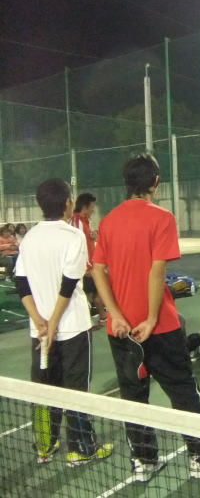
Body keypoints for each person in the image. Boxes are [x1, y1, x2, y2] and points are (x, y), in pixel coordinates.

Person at [92, 154, 200, 481]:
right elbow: (156, 272)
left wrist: (114, 315)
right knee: (183, 390)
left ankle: (144, 462)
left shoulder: (107, 222)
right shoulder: (162, 218)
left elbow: (97, 270)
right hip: (160, 326)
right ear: (155, 183)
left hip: (121, 331)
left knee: (133, 397)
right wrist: (150, 318)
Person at [15, 178, 113, 466]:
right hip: (72, 329)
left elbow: (21, 284)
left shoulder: (30, 237)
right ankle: (81, 448)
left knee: (45, 388)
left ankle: (45, 446)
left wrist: (39, 321)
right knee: (75, 389)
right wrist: (53, 322)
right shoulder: (73, 236)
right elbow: (68, 286)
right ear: (69, 203)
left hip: (40, 332)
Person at [69, 192, 106, 329]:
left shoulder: (85, 221)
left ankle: (102, 318)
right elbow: (77, 246)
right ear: (84, 207)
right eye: (92, 207)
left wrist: (94, 235)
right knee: (84, 294)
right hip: (85, 267)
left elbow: (87, 240)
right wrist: (85, 267)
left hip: (91, 264)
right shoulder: (77, 222)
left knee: (98, 291)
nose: (93, 210)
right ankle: (88, 322)